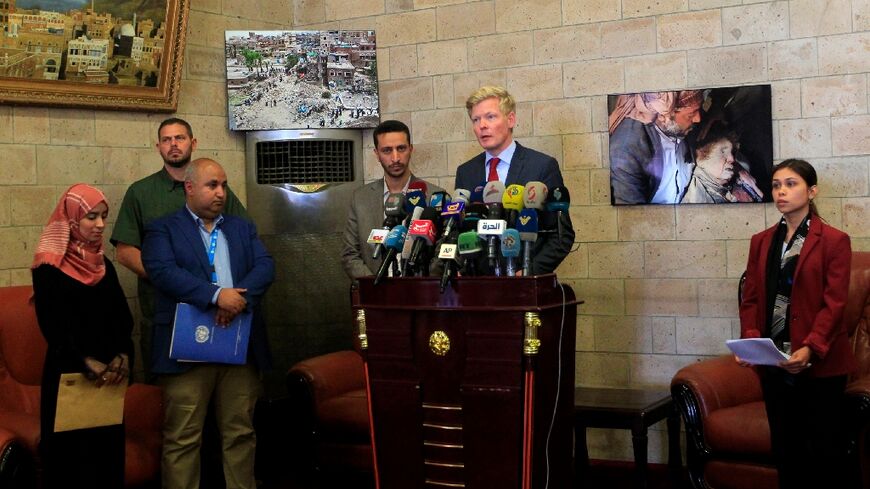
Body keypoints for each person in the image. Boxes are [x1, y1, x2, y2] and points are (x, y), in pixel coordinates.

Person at [141, 158, 274, 489]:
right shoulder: (163, 228)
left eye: (224, 185)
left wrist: (236, 300)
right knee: (183, 438)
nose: (220, 193)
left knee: (240, 433)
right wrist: (216, 296)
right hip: (187, 351)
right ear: (189, 188)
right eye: (212, 185)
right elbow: (163, 272)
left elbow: (265, 266)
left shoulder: (241, 227)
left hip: (237, 345)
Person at [737, 159, 855, 488]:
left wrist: (810, 347)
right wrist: (751, 341)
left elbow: (835, 303)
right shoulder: (761, 241)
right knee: (786, 450)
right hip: (775, 362)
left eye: (791, 184)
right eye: (776, 185)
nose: (781, 192)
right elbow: (751, 299)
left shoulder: (834, 240)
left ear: (811, 191)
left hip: (820, 364)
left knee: (823, 452)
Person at [111, 117, 249, 380]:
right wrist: (172, 280)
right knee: (172, 394)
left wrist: (221, 291)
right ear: (158, 147)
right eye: (166, 140)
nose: (173, 144)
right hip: (166, 311)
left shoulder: (218, 190)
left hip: (220, 308)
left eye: (180, 138)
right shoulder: (141, 192)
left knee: (224, 386)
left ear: (193, 143)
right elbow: (126, 252)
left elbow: (244, 240)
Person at [31, 184, 133, 489]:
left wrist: (123, 354)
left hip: (107, 380)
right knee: (69, 467)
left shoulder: (104, 265)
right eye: (91, 217)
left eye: (103, 216)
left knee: (106, 463)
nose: (100, 224)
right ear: (72, 219)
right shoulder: (49, 267)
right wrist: (85, 361)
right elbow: (53, 327)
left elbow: (122, 320)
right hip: (69, 375)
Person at [454, 85, 574, 274]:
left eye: (490, 117)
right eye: (476, 119)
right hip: (477, 284)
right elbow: (460, 231)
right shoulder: (465, 172)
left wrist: (529, 272)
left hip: (523, 281)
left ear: (510, 119)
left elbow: (561, 236)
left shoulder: (542, 166)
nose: (482, 125)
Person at [341, 119, 443, 279]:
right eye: (387, 150)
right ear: (377, 154)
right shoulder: (361, 198)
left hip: (422, 289)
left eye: (401, 148)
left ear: (410, 149)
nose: (395, 158)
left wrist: (422, 285)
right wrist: (375, 287)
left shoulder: (435, 195)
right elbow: (350, 254)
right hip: (376, 288)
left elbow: (441, 254)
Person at [608, 90, 703, 204]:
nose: (698, 119)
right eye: (691, 115)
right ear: (663, 116)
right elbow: (632, 212)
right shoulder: (626, 152)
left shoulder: (680, 127)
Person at [681, 123, 764, 204]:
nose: (732, 159)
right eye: (723, 152)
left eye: (732, 153)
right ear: (700, 155)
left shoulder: (724, 185)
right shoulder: (697, 200)